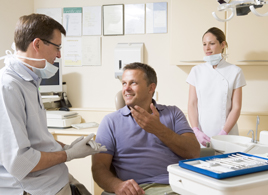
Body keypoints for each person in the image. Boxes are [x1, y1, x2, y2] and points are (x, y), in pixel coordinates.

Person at [0, 13, 106, 195]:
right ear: (37, 44)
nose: (59, 55)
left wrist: (66, 146)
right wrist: (69, 155)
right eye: (57, 47)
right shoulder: (8, 87)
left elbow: (35, 140)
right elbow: (20, 162)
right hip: (36, 189)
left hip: (55, 178)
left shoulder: (29, 81)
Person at [92, 62, 200, 195]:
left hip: (181, 185)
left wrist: (158, 129)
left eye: (133, 83)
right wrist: (117, 186)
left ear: (151, 88)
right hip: (141, 189)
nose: (126, 89)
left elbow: (194, 152)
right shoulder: (110, 122)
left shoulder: (173, 113)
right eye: (124, 83)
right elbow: (99, 168)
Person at [186, 27, 246, 147]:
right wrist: (195, 130)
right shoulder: (196, 71)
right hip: (202, 134)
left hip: (227, 135)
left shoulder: (235, 71)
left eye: (212, 44)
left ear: (222, 44)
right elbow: (192, 104)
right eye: (204, 44)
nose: (207, 48)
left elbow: (236, 107)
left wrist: (224, 132)